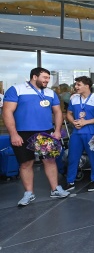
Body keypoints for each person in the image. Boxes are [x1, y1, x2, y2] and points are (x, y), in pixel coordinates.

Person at [3, 67, 70, 206]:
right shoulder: (16, 89)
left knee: (50, 160)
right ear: (34, 76)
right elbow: (7, 112)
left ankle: (55, 189)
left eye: (48, 78)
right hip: (23, 133)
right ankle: (29, 193)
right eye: (44, 78)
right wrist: (13, 134)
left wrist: (58, 130)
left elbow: (58, 112)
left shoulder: (51, 93)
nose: (47, 80)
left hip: (45, 131)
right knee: (26, 163)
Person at [65, 76, 94, 192]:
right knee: (72, 157)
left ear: (87, 86)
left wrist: (86, 122)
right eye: (76, 84)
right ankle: (70, 181)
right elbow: (69, 113)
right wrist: (73, 122)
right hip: (76, 132)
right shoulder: (74, 99)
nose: (76, 87)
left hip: (91, 132)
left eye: (78, 84)